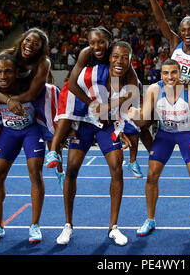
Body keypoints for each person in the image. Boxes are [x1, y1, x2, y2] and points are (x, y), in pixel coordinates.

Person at [128, 59, 190, 238]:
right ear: (161, 74)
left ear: (180, 74)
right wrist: (132, 113)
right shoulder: (155, 89)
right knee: (151, 175)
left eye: (173, 73)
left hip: (187, 135)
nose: (170, 77)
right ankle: (150, 219)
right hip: (165, 135)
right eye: (166, 73)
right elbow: (144, 115)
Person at [56, 41, 135, 246]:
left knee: (117, 168)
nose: (119, 61)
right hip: (83, 122)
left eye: (125, 57)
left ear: (130, 60)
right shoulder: (90, 71)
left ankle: (114, 227)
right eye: (116, 56)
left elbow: (131, 100)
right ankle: (67, 225)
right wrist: (69, 125)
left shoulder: (130, 77)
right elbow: (70, 90)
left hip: (107, 124)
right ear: (109, 57)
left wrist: (122, 127)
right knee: (72, 169)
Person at [45, 27, 148, 179]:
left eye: (101, 42)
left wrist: (114, 113)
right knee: (67, 114)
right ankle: (53, 151)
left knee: (133, 123)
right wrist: (92, 104)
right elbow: (72, 85)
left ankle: (133, 160)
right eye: (92, 42)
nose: (96, 46)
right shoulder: (87, 53)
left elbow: (133, 90)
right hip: (80, 89)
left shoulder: (118, 56)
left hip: (101, 94)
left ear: (109, 43)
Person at [0, 28, 64, 199]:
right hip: (9, 95)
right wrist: (6, 100)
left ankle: (60, 170)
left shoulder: (43, 62)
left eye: (36, 44)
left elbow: (32, 94)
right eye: (28, 40)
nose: (30, 45)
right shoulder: (7, 55)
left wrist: (3, 100)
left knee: (51, 126)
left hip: (35, 96)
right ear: (22, 39)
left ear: (40, 48)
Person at [0, 54, 47, 245]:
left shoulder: (29, 86)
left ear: (17, 72)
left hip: (31, 131)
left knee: (35, 173)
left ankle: (35, 225)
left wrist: (5, 100)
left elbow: (42, 97)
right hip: (9, 132)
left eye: (7, 71)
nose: (2, 76)